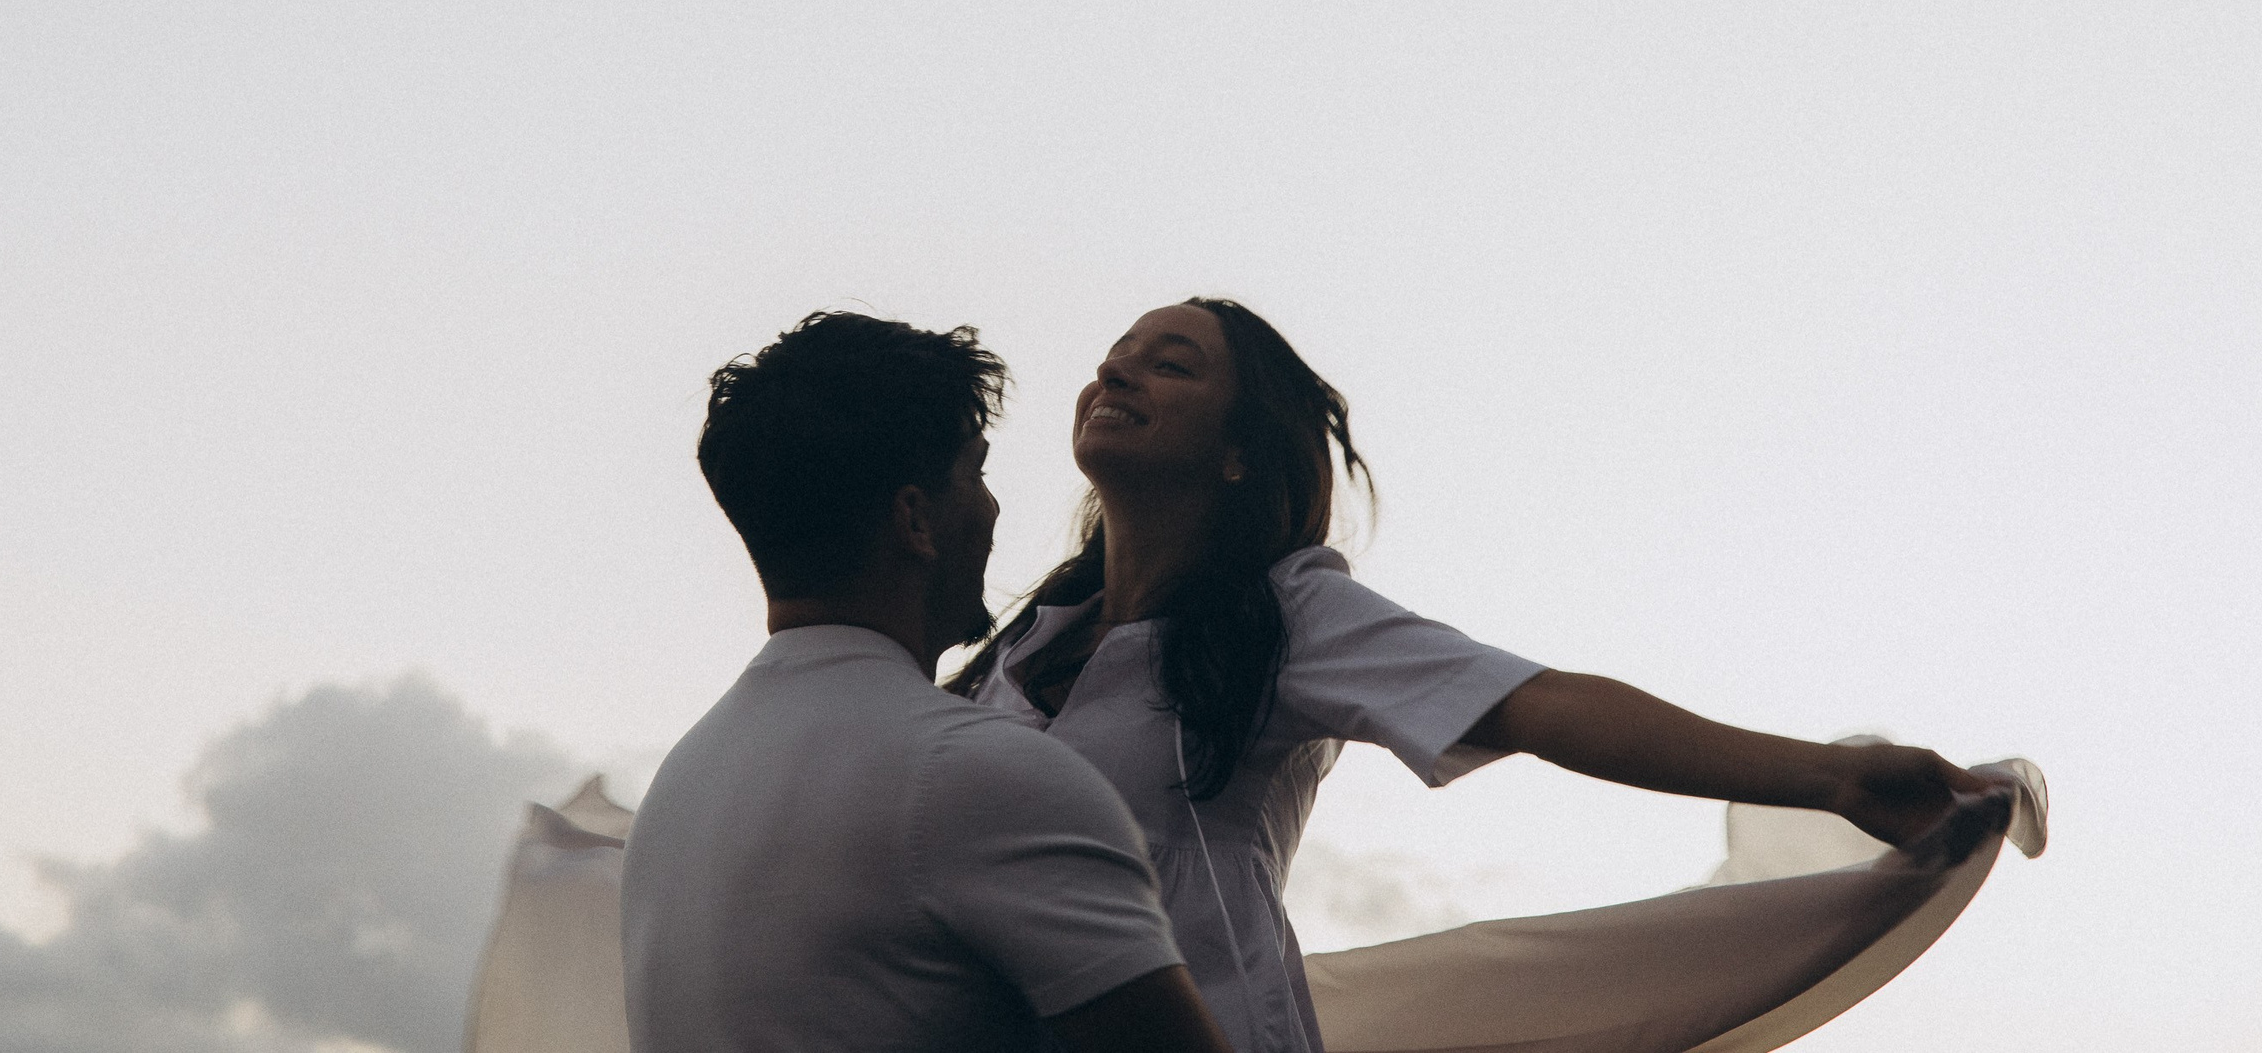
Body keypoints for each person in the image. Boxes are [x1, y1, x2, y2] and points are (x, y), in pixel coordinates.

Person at [948, 298, 1992, 1053]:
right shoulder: (1023, 648)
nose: (1115, 374)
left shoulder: (1290, 613)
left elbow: (1542, 706)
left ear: (1239, 454)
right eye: (1114, 356)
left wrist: (1832, 779)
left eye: (1168, 364)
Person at [622, 311, 1235, 1053]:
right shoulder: (979, 774)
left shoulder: (680, 788)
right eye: (975, 471)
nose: (992, 504)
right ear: (916, 519)